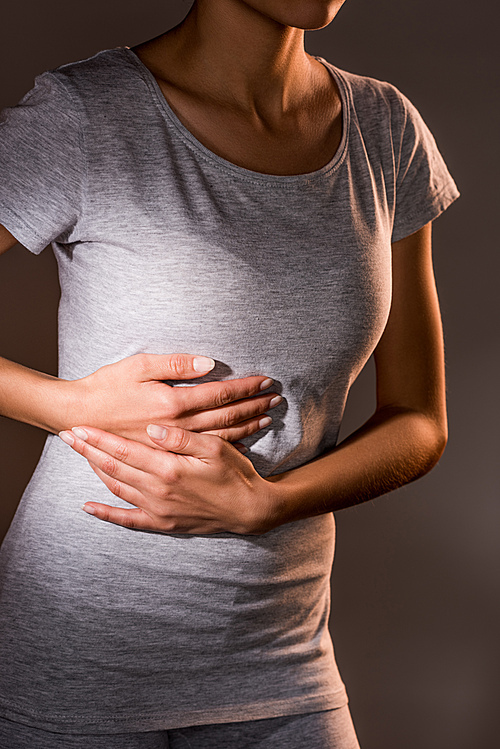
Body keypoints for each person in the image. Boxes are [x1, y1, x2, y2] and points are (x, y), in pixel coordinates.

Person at [0, 0, 459, 746]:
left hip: (281, 659)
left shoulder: (386, 129)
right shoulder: (87, 114)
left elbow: (420, 419)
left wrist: (267, 503)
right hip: (76, 660)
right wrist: (66, 404)